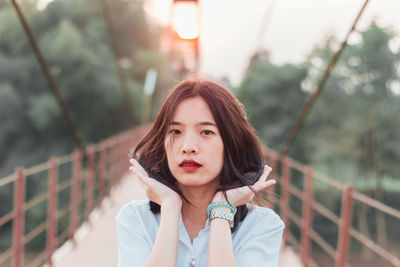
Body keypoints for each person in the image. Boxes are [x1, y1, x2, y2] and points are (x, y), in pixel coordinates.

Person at [116, 79, 284, 267]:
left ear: (231, 144)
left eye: (206, 132)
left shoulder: (262, 226)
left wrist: (221, 210)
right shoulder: (135, 219)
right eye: (175, 131)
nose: (188, 147)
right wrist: (170, 207)